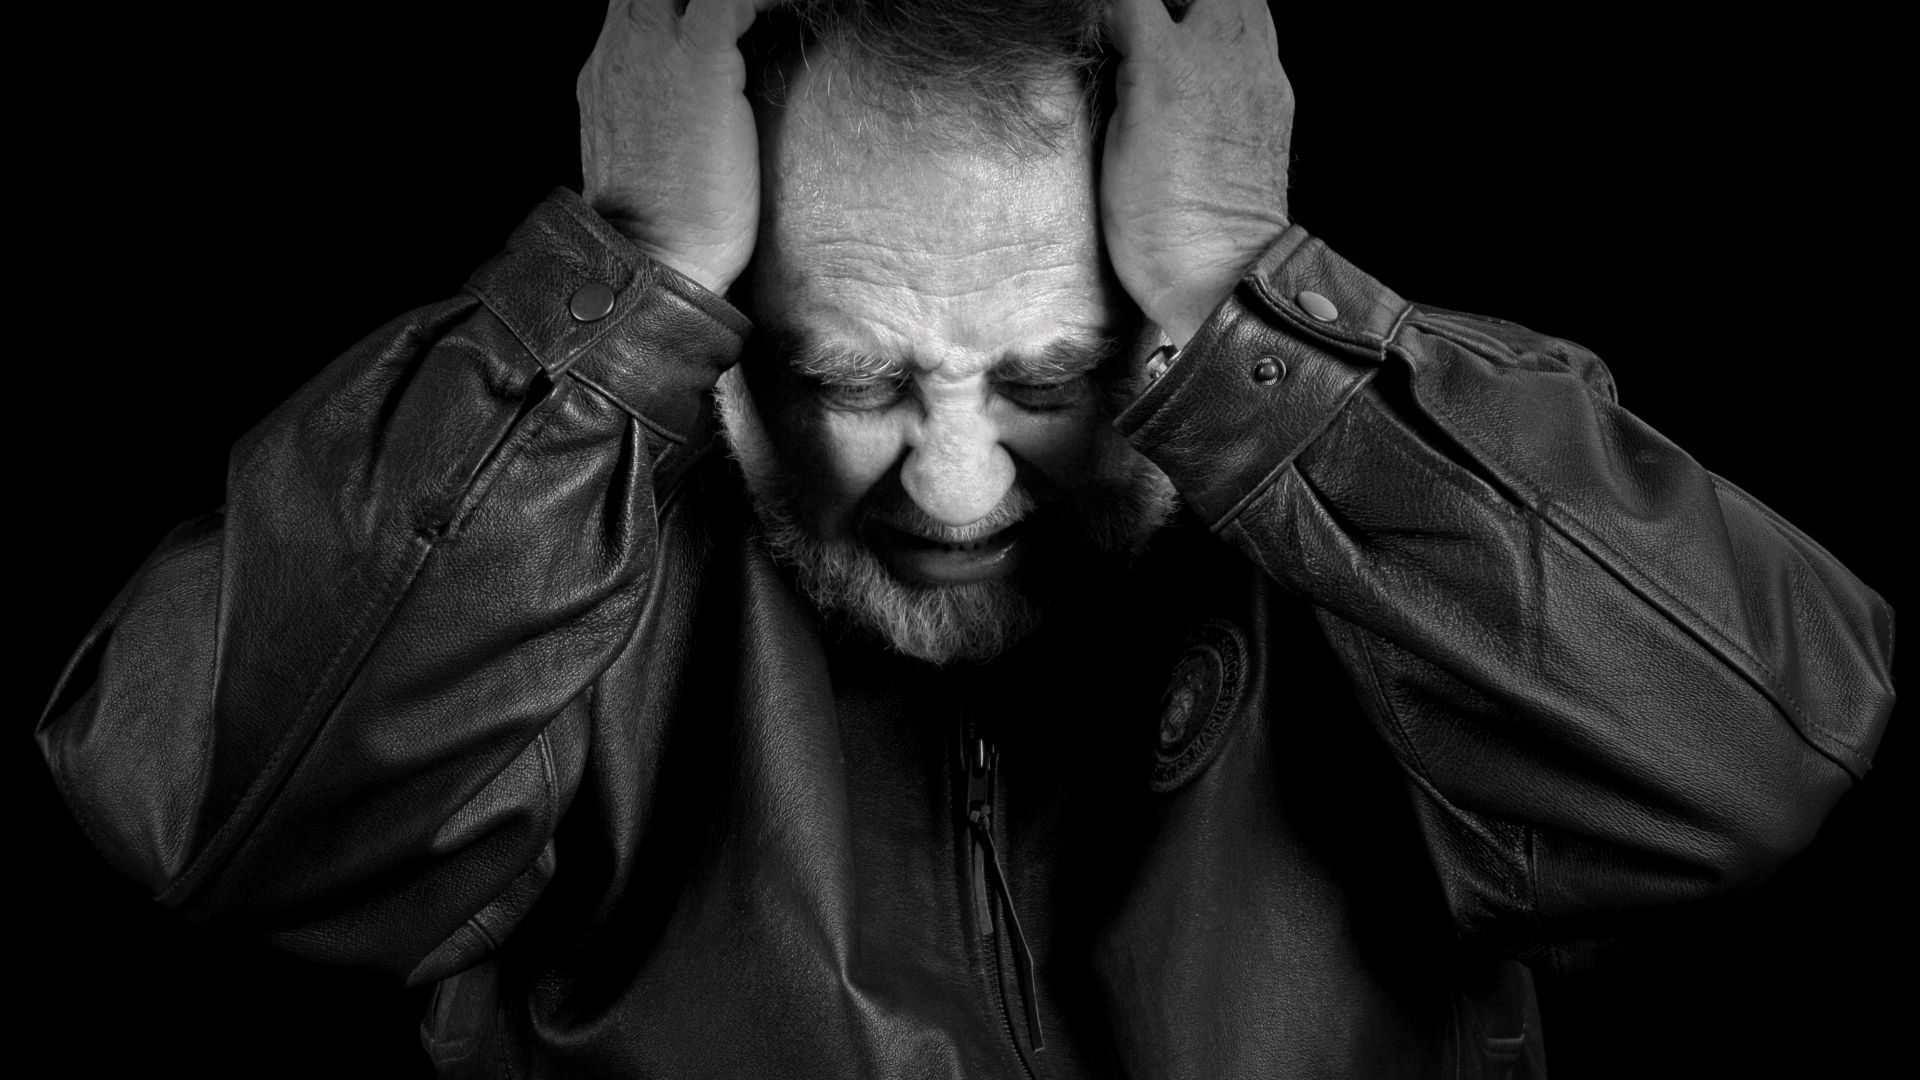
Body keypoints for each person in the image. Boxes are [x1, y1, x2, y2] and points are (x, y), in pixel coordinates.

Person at [29, 1, 1898, 1076]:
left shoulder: (1393, 511)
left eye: (1052, 382)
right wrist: (611, 285)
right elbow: (223, 820)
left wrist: (1267, 318)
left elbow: (1742, 768)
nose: (954, 489)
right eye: (847, 375)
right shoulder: (553, 527)